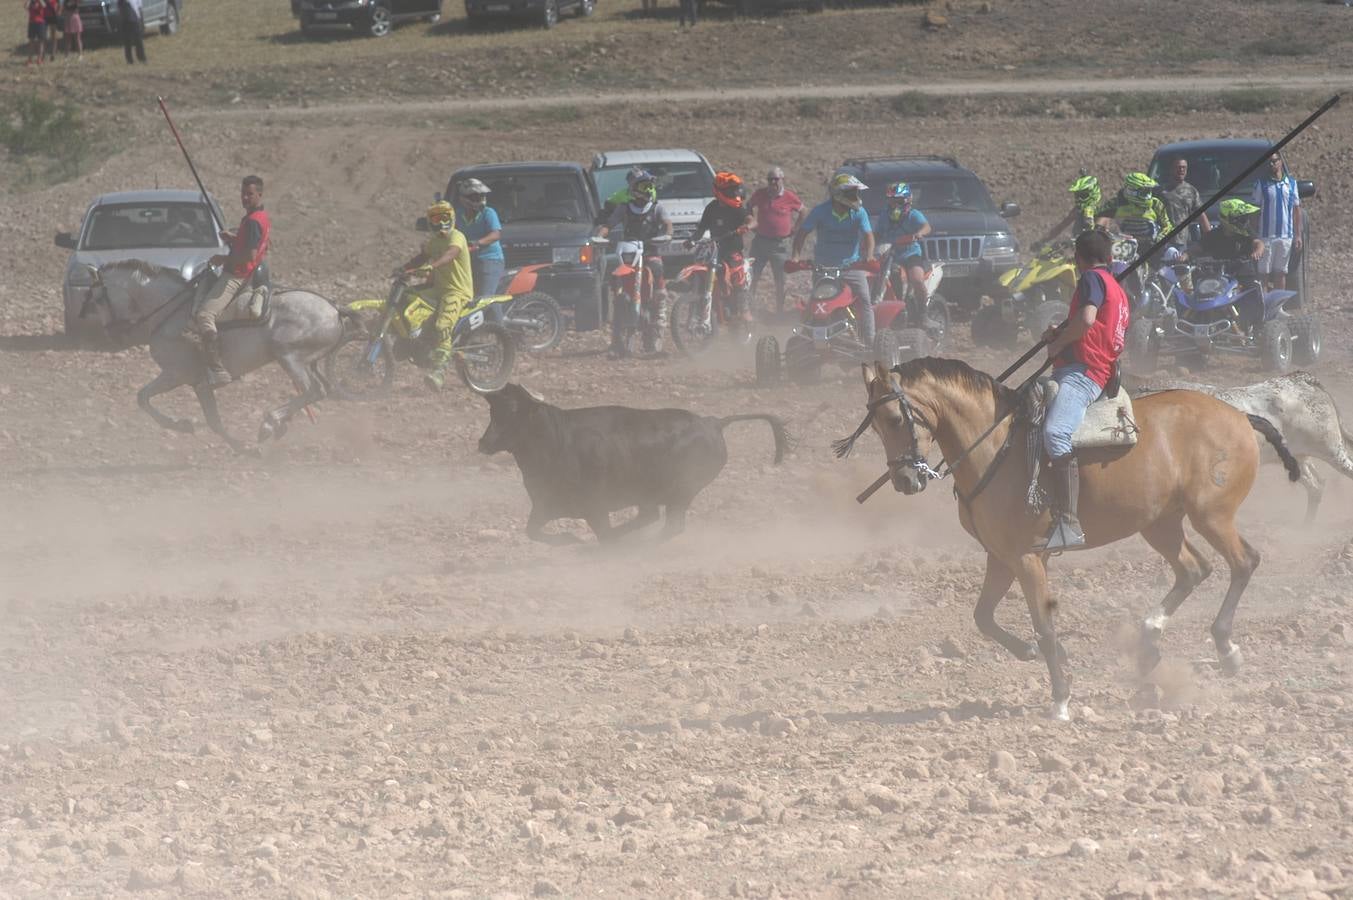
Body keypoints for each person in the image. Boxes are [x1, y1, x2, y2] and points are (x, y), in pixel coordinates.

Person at [1036, 229, 1130, 552]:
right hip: (1094, 368)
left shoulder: (1091, 279)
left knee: (1055, 434)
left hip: (1083, 373)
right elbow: (1097, 327)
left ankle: (1068, 523)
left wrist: (1060, 342)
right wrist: (1061, 330)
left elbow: (1088, 320)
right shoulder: (1116, 287)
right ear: (1111, 258)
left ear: (1078, 260)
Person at [188, 176, 271, 388]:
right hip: (246, 272)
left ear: (259, 194)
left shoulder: (252, 221)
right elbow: (259, 244)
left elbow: (250, 255)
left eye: (249, 194)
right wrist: (233, 239)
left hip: (237, 275)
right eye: (243, 193)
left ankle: (217, 369)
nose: (244, 197)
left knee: (205, 315)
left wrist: (222, 259)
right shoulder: (259, 216)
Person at [397, 200, 474, 390]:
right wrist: (404, 268)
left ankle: (439, 372)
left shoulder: (457, 237)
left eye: (444, 217)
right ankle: (410, 341)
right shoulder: (433, 242)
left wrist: (432, 266)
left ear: (452, 218)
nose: (440, 222)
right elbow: (421, 257)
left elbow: (451, 254)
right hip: (439, 288)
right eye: (436, 218)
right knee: (407, 296)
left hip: (457, 291)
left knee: (442, 325)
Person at [791, 173, 875, 343]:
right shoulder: (820, 211)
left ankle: (870, 341)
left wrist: (870, 256)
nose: (855, 197)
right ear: (838, 194)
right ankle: (804, 339)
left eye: (856, 193)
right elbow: (802, 233)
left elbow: (869, 236)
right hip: (823, 267)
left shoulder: (859, 213)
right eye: (851, 193)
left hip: (851, 267)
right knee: (816, 302)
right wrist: (795, 257)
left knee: (865, 300)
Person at [594, 178, 673, 357]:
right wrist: (600, 236)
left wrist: (667, 235)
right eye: (640, 187)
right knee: (617, 287)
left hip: (650, 251)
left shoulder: (657, 208)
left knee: (658, 281)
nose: (642, 192)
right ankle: (617, 343)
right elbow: (609, 225)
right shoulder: (624, 207)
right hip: (629, 253)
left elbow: (668, 224)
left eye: (646, 187)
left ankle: (655, 339)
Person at [685, 171, 753, 333]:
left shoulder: (736, 209)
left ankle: (744, 310)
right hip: (713, 248)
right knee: (698, 269)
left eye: (735, 190)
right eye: (731, 191)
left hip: (732, 250)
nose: (735, 194)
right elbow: (701, 228)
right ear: (720, 191)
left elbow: (751, 219)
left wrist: (746, 226)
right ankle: (696, 306)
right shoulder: (711, 208)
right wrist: (692, 239)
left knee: (737, 275)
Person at [872, 182, 931, 325]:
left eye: (898, 199)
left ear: (907, 199)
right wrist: (868, 242)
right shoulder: (884, 216)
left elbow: (927, 227)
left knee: (917, 279)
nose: (894, 203)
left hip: (910, 254)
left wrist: (918, 234)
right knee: (874, 276)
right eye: (891, 199)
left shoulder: (913, 215)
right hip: (890, 255)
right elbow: (877, 234)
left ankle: (923, 314)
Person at [747, 166, 804, 313]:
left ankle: (779, 310)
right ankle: (748, 308)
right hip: (760, 242)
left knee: (780, 280)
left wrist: (795, 229)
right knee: (751, 275)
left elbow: (803, 211)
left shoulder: (789, 197)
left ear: (782, 180)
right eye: (770, 179)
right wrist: (750, 220)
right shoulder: (760, 194)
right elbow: (748, 205)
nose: (772, 182)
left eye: (776, 179)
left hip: (780, 245)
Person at [1252, 152, 1303, 296]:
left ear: (1280, 162)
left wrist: (1298, 235)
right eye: (1269, 162)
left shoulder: (1291, 184)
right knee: (1264, 274)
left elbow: (1296, 210)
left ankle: (1278, 307)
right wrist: (1254, 236)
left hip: (1285, 236)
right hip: (1266, 236)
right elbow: (1255, 211)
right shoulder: (1261, 184)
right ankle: (1264, 307)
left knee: (1280, 273)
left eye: (1274, 161)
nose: (1272, 164)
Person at [454, 178, 504, 298]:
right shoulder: (458, 216)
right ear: (464, 199)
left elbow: (495, 234)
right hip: (467, 260)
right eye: (475, 197)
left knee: (484, 297)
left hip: (490, 260)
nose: (480, 200)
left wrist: (477, 243)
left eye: (482, 196)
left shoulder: (488, 213)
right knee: (468, 296)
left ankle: (497, 318)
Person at [1096, 172, 1173, 245]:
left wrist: (1160, 238)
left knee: (1172, 253)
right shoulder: (1116, 203)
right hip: (1124, 244)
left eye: (1148, 191)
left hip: (1151, 244)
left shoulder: (1156, 204)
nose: (1147, 196)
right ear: (1131, 190)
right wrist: (1103, 232)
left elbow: (1167, 225)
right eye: (1144, 192)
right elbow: (1099, 216)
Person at [1036, 174, 1100, 247]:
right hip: (1081, 248)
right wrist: (1042, 241)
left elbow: (1102, 232)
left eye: (1082, 195)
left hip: (1095, 249)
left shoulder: (1100, 210)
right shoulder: (1078, 210)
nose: (1079, 198)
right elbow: (1062, 226)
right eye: (1077, 195)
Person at [1159, 158, 1210, 248]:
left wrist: (1210, 237)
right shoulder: (1161, 191)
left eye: (1184, 168)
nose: (1181, 170)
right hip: (1163, 241)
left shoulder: (1191, 191)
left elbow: (1201, 216)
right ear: (1171, 169)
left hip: (1183, 242)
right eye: (1178, 167)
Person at [117, 0, 146, 64]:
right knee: (127, 40)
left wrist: (141, 19)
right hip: (125, 17)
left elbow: (139, 6)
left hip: (135, 17)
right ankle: (129, 59)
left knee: (138, 39)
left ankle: (141, 58)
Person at [26, 0, 47, 66]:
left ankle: (39, 59)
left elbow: (44, 6)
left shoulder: (41, 1)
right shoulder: (30, 2)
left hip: (40, 23)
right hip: (32, 23)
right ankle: (30, 59)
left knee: (40, 42)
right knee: (31, 42)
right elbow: (26, 6)